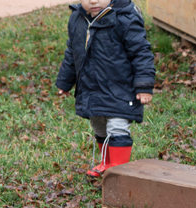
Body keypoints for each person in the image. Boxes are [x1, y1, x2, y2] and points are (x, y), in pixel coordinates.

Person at [56, 0, 155, 178]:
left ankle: (119, 170)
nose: (93, 1)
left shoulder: (124, 18)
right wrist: (65, 82)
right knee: (99, 126)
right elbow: (73, 52)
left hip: (120, 88)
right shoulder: (77, 19)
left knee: (117, 128)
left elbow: (141, 52)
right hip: (92, 89)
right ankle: (106, 163)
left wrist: (144, 85)